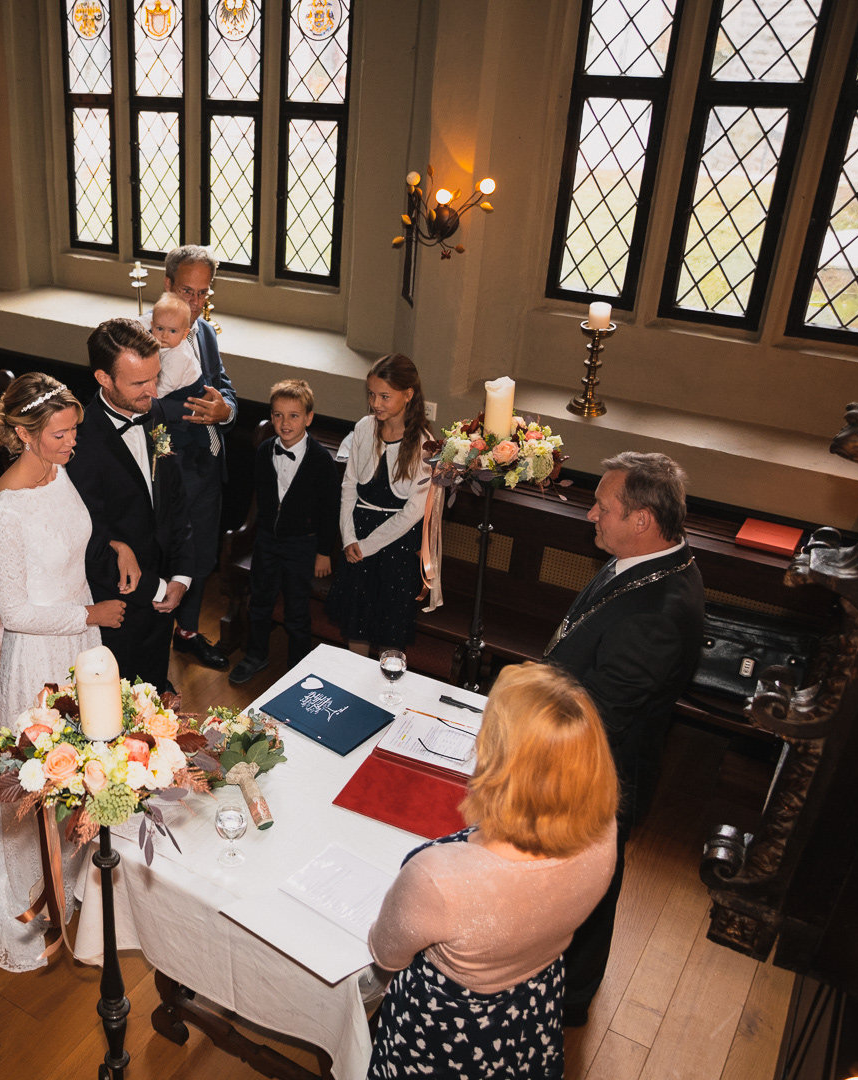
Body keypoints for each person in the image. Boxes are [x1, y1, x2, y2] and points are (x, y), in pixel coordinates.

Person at [0, 373, 127, 972]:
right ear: (24, 435)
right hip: (41, 655)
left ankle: (77, 876)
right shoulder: (4, 510)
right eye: (60, 434)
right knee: (44, 780)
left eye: (74, 431)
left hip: (81, 645)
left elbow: (75, 537)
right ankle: (33, 895)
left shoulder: (56, 469)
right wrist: (89, 614)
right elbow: (15, 612)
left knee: (88, 766)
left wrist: (116, 549)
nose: (72, 442)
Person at [367, 662, 619, 1079]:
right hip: (533, 1001)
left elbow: (387, 952)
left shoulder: (440, 878)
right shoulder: (605, 832)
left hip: (446, 1030)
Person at [546, 452, 705, 1026]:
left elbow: (600, 711)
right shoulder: (645, 560)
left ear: (642, 520)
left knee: (587, 885)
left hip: (597, 771)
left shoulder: (659, 611)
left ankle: (569, 1000)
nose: (591, 515)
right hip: (577, 739)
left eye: (602, 507)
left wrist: (523, 719)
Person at [65, 318, 193, 693]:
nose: (153, 391)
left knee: (153, 691)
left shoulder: (156, 414)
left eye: (156, 377)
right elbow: (89, 544)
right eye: (139, 383)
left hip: (164, 593)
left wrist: (182, 575)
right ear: (104, 378)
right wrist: (156, 589)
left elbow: (174, 495)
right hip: (116, 607)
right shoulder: (78, 444)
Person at [154, 246, 238, 671]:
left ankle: (187, 634)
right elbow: (139, 401)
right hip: (170, 468)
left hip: (209, 465)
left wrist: (226, 410)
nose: (195, 302)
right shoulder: (147, 333)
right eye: (187, 291)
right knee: (164, 561)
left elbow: (222, 383)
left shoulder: (203, 330)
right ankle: (153, 653)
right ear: (167, 284)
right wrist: (190, 410)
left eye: (203, 293)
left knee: (202, 558)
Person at [228, 379, 339, 684]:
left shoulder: (320, 460)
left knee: (296, 609)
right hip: (267, 540)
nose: (285, 422)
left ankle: (298, 666)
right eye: (278, 415)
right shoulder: (265, 450)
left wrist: (323, 552)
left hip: (302, 544)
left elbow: (330, 510)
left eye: (293, 415)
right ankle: (255, 655)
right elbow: (262, 497)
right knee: (259, 601)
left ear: (308, 418)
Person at [325, 354, 431, 654]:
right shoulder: (364, 428)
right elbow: (349, 485)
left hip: (397, 543)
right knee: (356, 621)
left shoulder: (423, 443)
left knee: (390, 625)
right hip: (358, 534)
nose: (375, 403)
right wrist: (349, 538)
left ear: (408, 394)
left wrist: (367, 546)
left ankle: (386, 681)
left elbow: (414, 510)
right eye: (371, 394)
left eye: (385, 396)